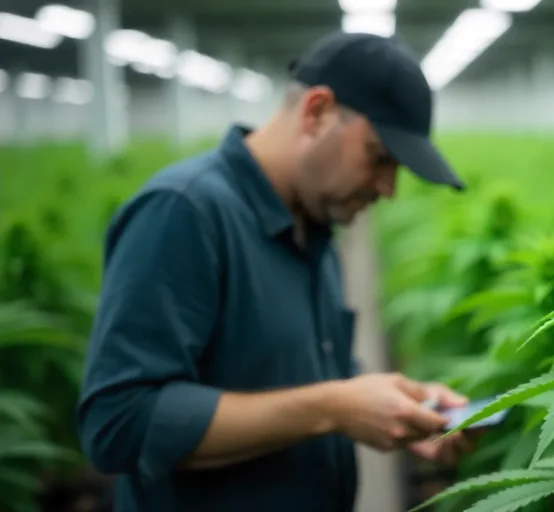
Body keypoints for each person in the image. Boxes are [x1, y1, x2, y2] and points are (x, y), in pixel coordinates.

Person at [76, 30, 477, 512]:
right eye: (379, 157)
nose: (389, 188)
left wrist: (401, 406)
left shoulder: (318, 225)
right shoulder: (184, 212)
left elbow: (299, 368)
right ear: (317, 111)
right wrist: (334, 408)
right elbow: (120, 422)